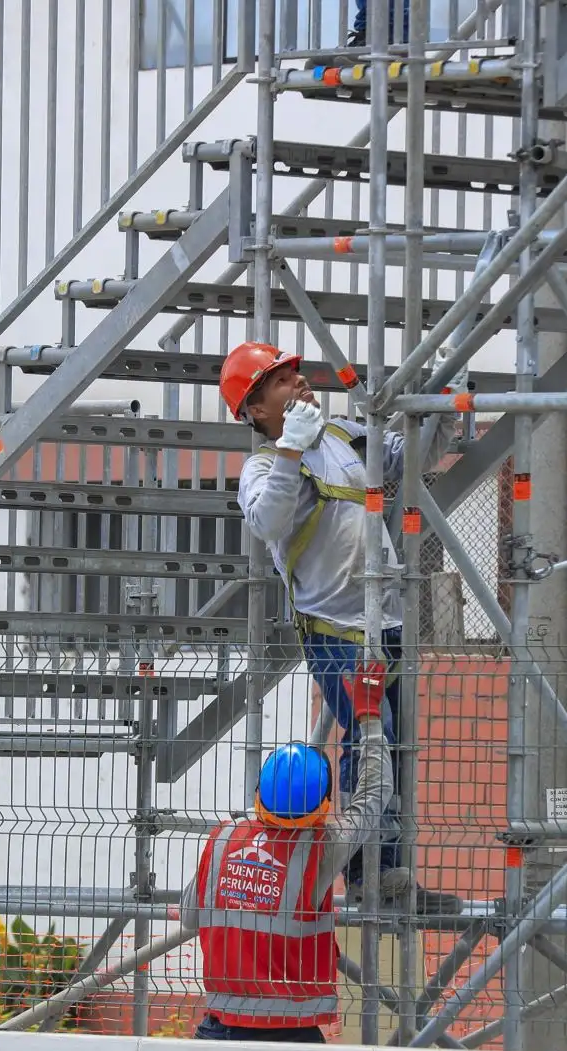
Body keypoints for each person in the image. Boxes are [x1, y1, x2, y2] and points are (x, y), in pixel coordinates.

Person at [223, 341, 460, 915]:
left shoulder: (343, 436)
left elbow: (416, 458)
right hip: (337, 631)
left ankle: (391, 870)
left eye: (296, 373)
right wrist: (290, 450)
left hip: (388, 620)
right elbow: (267, 522)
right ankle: (370, 875)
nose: (300, 382)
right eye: (281, 380)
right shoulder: (262, 468)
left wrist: (446, 396)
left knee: (394, 746)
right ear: (256, 409)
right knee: (370, 738)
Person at [182, 665, 413, 1042]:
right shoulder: (320, 849)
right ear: (322, 806)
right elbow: (374, 794)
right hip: (289, 1034)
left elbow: (190, 917)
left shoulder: (223, 838)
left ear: (259, 794)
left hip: (218, 1029)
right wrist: (370, 717)